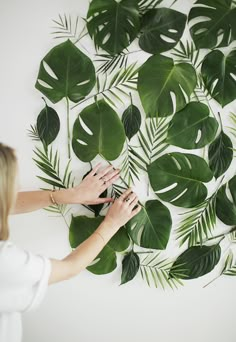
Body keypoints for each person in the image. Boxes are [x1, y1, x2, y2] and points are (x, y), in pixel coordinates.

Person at [0, 142, 141, 342]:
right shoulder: (5, 262)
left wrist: (69, 195)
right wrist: (111, 223)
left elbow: (6, 203)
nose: (20, 187)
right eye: (13, 184)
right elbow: (70, 267)